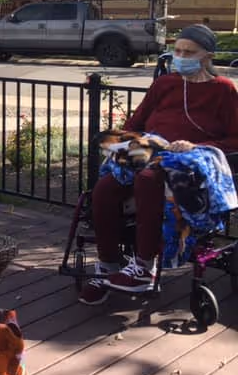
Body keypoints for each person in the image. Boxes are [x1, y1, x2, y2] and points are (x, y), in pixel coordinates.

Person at [80, 24, 238, 306]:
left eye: (189, 52)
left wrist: (196, 147)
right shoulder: (165, 84)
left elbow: (235, 139)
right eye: (177, 50)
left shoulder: (223, 90)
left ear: (207, 56)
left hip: (190, 161)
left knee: (149, 178)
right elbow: (133, 125)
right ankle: (108, 267)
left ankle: (143, 268)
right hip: (151, 150)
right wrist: (138, 141)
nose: (180, 56)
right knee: (105, 187)